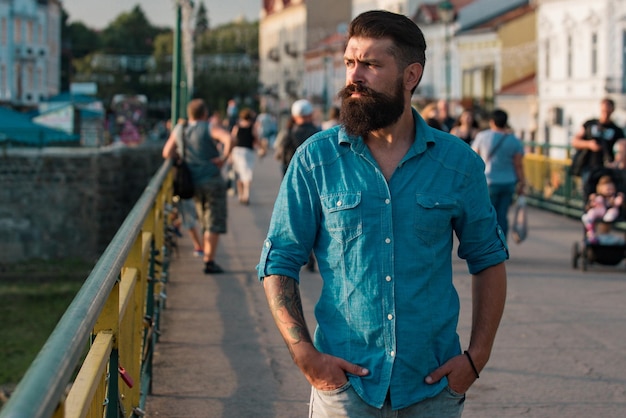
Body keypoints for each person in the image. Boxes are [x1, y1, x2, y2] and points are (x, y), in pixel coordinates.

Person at [258, 10, 508, 417]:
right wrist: (305, 355)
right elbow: (278, 261)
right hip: (345, 387)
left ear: (410, 76)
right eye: (350, 63)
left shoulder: (458, 164)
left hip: (432, 387)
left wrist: (476, 359)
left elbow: (489, 260)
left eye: (371, 65)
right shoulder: (316, 160)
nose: (354, 76)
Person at [163, 98, 233, 274]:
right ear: (205, 114)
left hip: (191, 182)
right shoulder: (208, 127)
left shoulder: (180, 129)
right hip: (212, 180)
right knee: (213, 222)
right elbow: (228, 138)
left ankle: (204, 252)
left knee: (202, 219)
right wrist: (223, 159)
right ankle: (209, 261)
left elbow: (167, 152)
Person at [472, 109, 526, 239]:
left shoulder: (482, 137)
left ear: (492, 122)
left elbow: (474, 158)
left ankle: (488, 245)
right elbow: (518, 164)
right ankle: (502, 244)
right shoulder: (514, 140)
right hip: (508, 182)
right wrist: (522, 183)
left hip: (489, 181)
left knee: (488, 215)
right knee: (502, 215)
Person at [571, 98, 625, 182]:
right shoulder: (589, 124)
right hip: (587, 165)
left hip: (605, 167)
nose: (605, 114)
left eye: (608, 111)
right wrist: (589, 144)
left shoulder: (616, 130)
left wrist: (616, 163)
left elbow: (623, 147)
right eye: (603, 111)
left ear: (612, 111)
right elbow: (575, 141)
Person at [273, 99, 321, 175]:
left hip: (292, 170)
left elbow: (283, 153)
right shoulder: (317, 132)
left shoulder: (288, 131)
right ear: (310, 115)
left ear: (294, 116)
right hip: (313, 171)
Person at [231, 108, 265, 205]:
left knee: (239, 174)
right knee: (247, 174)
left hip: (237, 151)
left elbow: (232, 140)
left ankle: (240, 195)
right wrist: (261, 148)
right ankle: (246, 194)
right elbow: (257, 140)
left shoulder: (237, 127)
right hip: (248, 152)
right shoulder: (252, 127)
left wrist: (229, 154)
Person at [581, 174, 624, 243]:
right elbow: (592, 204)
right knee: (592, 213)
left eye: (611, 189)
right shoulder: (598, 196)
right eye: (607, 189)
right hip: (600, 210)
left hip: (610, 210)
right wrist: (592, 201)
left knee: (611, 214)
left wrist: (618, 199)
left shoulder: (614, 196)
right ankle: (590, 231)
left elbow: (618, 202)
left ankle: (604, 231)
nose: (609, 191)